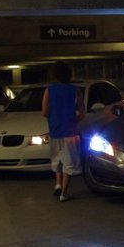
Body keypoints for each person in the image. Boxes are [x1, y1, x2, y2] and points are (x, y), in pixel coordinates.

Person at [42, 61, 85, 201]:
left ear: (54, 75)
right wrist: (74, 120)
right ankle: (64, 194)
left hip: (54, 131)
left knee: (57, 159)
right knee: (69, 162)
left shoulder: (49, 90)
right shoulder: (75, 90)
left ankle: (58, 184)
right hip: (70, 132)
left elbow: (44, 112)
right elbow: (82, 112)